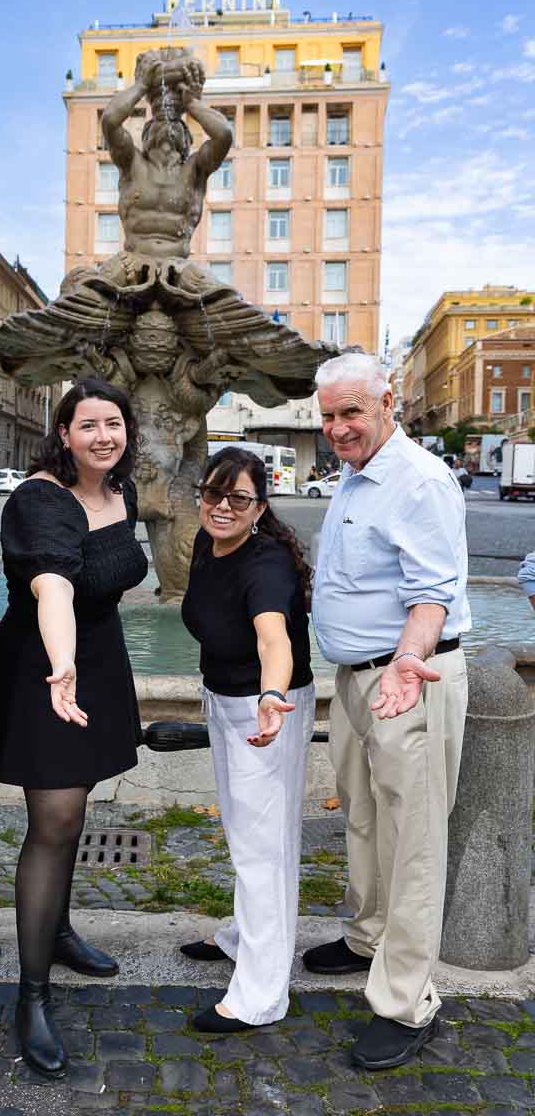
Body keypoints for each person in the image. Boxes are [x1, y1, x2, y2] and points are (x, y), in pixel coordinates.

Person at [0, 378, 148, 1079]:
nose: (103, 436)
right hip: (45, 665)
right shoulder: (38, 499)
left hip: (97, 661)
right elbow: (52, 585)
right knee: (54, 821)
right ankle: (33, 995)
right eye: (88, 426)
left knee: (75, 817)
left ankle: (61, 931)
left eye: (114, 423)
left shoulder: (122, 491)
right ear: (64, 433)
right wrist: (63, 663)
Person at [305, 353, 470, 1071]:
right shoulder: (355, 471)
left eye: (351, 413)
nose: (339, 429)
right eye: (329, 417)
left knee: (414, 841)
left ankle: (407, 1001)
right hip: (358, 677)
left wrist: (407, 662)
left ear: (388, 403)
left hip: (409, 675)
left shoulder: (419, 480)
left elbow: (432, 592)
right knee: (366, 818)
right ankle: (369, 936)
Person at [178, 447, 315, 1033]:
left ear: (260, 506)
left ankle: (261, 995)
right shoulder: (208, 545)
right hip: (225, 702)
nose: (222, 507)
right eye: (213, 494)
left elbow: (272, 639)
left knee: (264, 848)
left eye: (238, 498)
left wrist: (270, 697)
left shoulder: (266, 565)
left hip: (267, 711)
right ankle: (241, 937)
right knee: (245, 832)